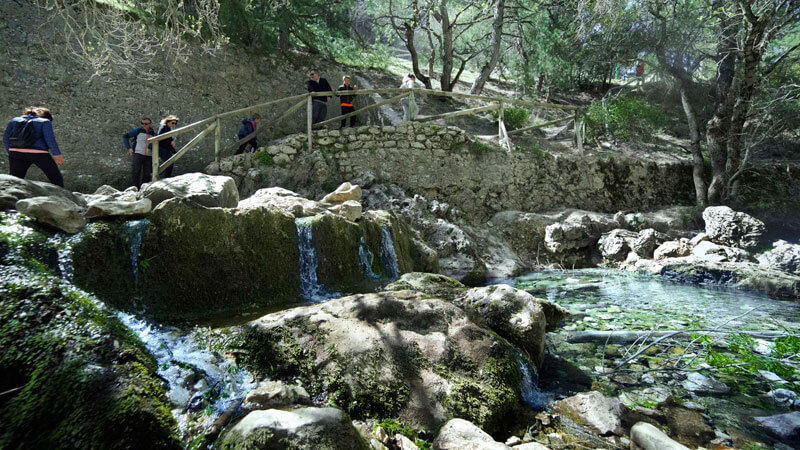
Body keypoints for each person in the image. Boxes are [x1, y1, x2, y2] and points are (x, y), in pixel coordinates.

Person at [3, 106, 65, 187]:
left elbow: (5, 138)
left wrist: (12, 152)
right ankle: (60, 195)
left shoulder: (14, 120)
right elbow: (50, 139)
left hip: (16, 153)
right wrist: (57, 154)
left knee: (14, 180)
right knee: (56, 179)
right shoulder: (45, 122)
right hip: (39, 154)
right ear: (47, 117)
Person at [123, 117, 156, 189]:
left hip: (149, 156)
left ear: (150, 124)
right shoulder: (137, 130)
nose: (144, 125)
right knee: (136, 172)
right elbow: (125, 137)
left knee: (147, 174)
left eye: (146, 124)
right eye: (142, 123)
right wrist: (129, 148)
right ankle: (134, 189)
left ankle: (144, 190)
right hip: (138, 154)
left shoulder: (153, 133)